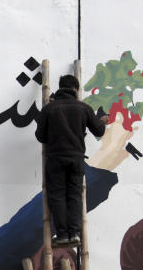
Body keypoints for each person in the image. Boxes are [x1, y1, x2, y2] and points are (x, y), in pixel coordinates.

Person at [34, 74, 108, 246]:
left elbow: (40, 136)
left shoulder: (49, 109)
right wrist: (101, 121)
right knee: (75, 195)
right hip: (76, 159)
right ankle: (74, 233)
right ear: (75, 89)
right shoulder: (84, 108)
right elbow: (99, 131)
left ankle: (62, 235)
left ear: (60, 87)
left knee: (57, 195)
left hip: (55, 159)